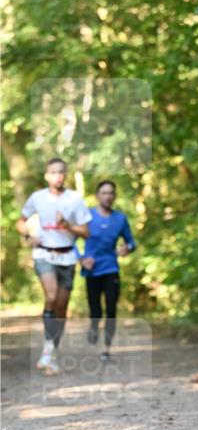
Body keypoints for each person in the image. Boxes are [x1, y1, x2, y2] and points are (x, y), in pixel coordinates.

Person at [17, 157, 91, 375]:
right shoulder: (37, 198)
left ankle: (50, 351)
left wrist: (67, 225)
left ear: (65, 175)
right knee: (50, 297)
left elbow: (86, 232)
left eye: (61, 172)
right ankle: (48, 353)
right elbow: (20, 221)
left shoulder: (75, 199)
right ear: (46, 175)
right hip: (44, 254)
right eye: (53, 172)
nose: (57, 176)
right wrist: (29, 236)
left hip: (67, 257)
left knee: (61, 307)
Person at [78, 179, 137, 362]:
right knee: (95, 311)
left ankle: (106, 350)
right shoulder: (86, 216)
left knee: (111, 310)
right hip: (92, 271)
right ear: (97, 196)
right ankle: (94, 326)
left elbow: (131, 242)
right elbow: (70, 241)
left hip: (111, 268)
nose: (108, 196)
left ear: (114, 196)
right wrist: (81, 258)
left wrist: (126, 248)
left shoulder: (120, 218)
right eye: (104, 192)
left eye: (111, 193)